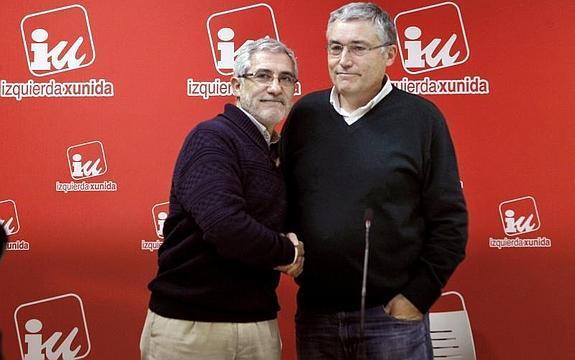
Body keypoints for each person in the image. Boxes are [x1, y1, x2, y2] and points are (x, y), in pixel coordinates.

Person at [280, 2, 468, 359]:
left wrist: (417, 296)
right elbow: (283, 198)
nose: (343, 60)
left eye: (358, 48)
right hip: (317, 315)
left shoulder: (421, 119)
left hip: (391, 319)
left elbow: (450, 222)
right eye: (335, 47)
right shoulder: (305, 115)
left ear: (390, 55)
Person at [141, 38, 304, 360]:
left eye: (286, 78)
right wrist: (289, 252)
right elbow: (225, 226)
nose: (275, 87)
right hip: (193, 327)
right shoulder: (214, 138)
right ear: (236, 85)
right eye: (262, 76)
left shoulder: (277, 150)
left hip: (258, 322)